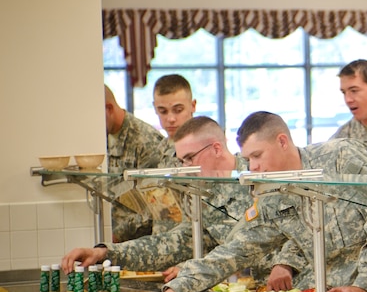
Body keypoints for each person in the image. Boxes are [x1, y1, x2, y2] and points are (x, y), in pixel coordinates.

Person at [146, 112, 367, 292]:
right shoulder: (273, 196)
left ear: (282, 141)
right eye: (248, 159)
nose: (253, 166)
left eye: (257, 155)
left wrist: (365, 284)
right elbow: (236, 250)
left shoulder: (341, 156)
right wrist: (176, 289)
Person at [60, 116, 249, 275]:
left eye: (190, 158)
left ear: (216, 149)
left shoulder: (255, 176)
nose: (185, 169)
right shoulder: (200, 193)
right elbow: (173, 244)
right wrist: (105, 253)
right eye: (182, 161)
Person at [105, 84, 167, 241]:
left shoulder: (145, 140)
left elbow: (154, 205)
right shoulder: (103, 136)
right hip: (112, 238)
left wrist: (117, 235)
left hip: (139, 242)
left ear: (109, 109)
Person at [151, 73, 198, 166]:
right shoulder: (158, 148)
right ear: (155, 109)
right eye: (163, 111)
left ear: (193, 106)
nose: (171, 119)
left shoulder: (205, 147)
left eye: (178, 110)